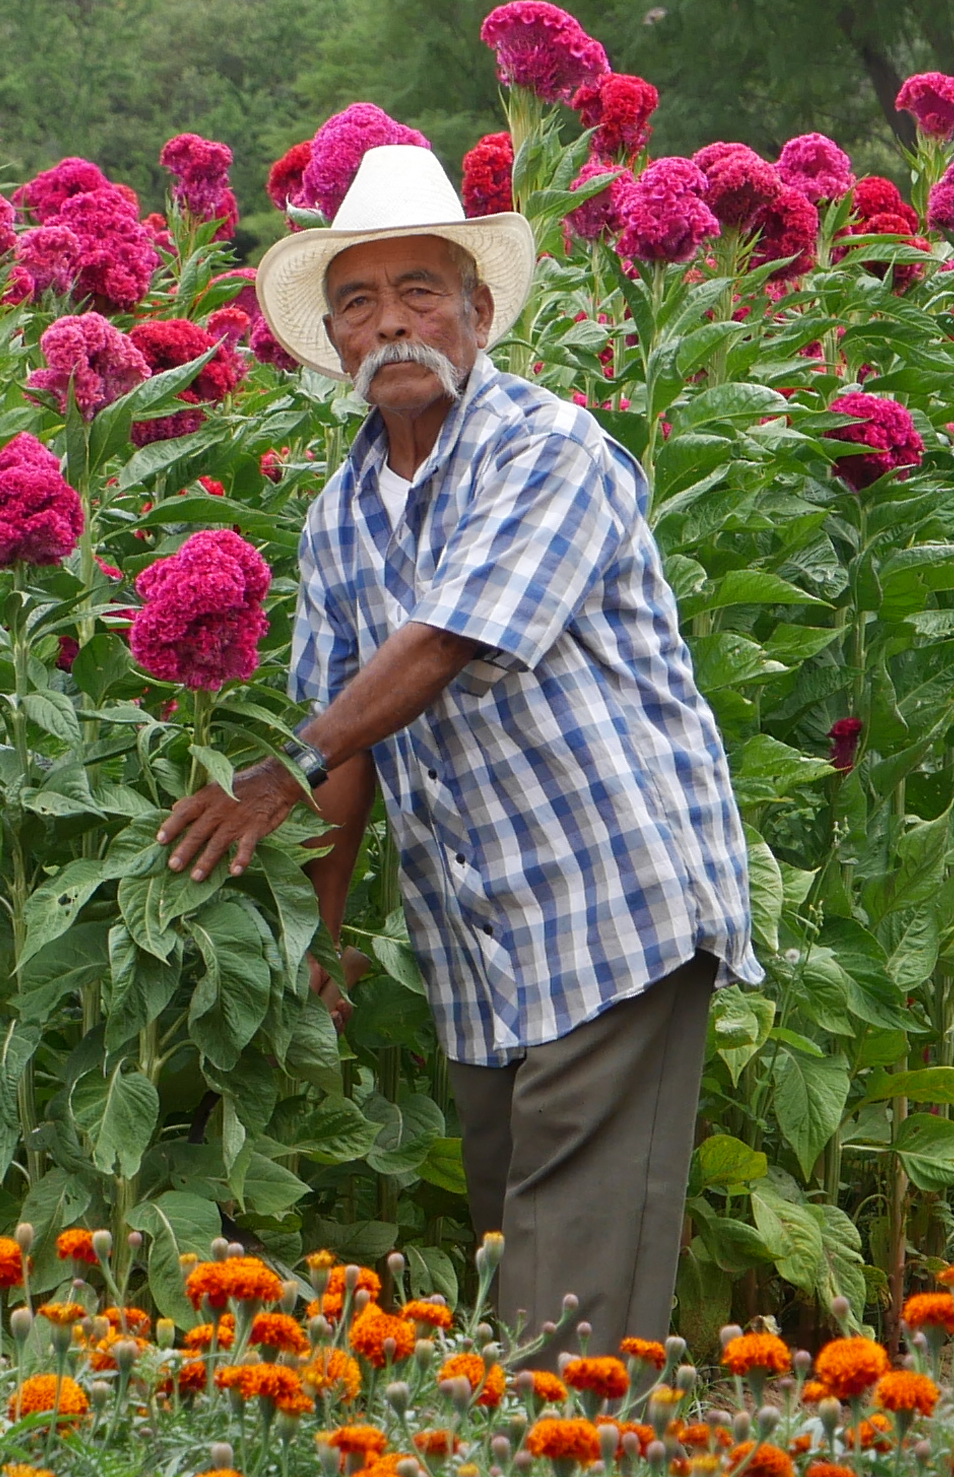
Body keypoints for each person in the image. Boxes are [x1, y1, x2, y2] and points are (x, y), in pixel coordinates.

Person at [156, 136, 758, 1359]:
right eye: (359, 304)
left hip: (611, 898)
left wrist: (276, 773)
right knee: (510, 1251)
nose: (392, 325)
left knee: (567, 1305)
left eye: (420, 292)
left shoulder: (547, 451)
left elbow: (442, 643)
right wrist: (319, 930)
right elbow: (351, 742)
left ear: (480, 311)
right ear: (332, 342)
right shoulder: (339, 515)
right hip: (476, 934)